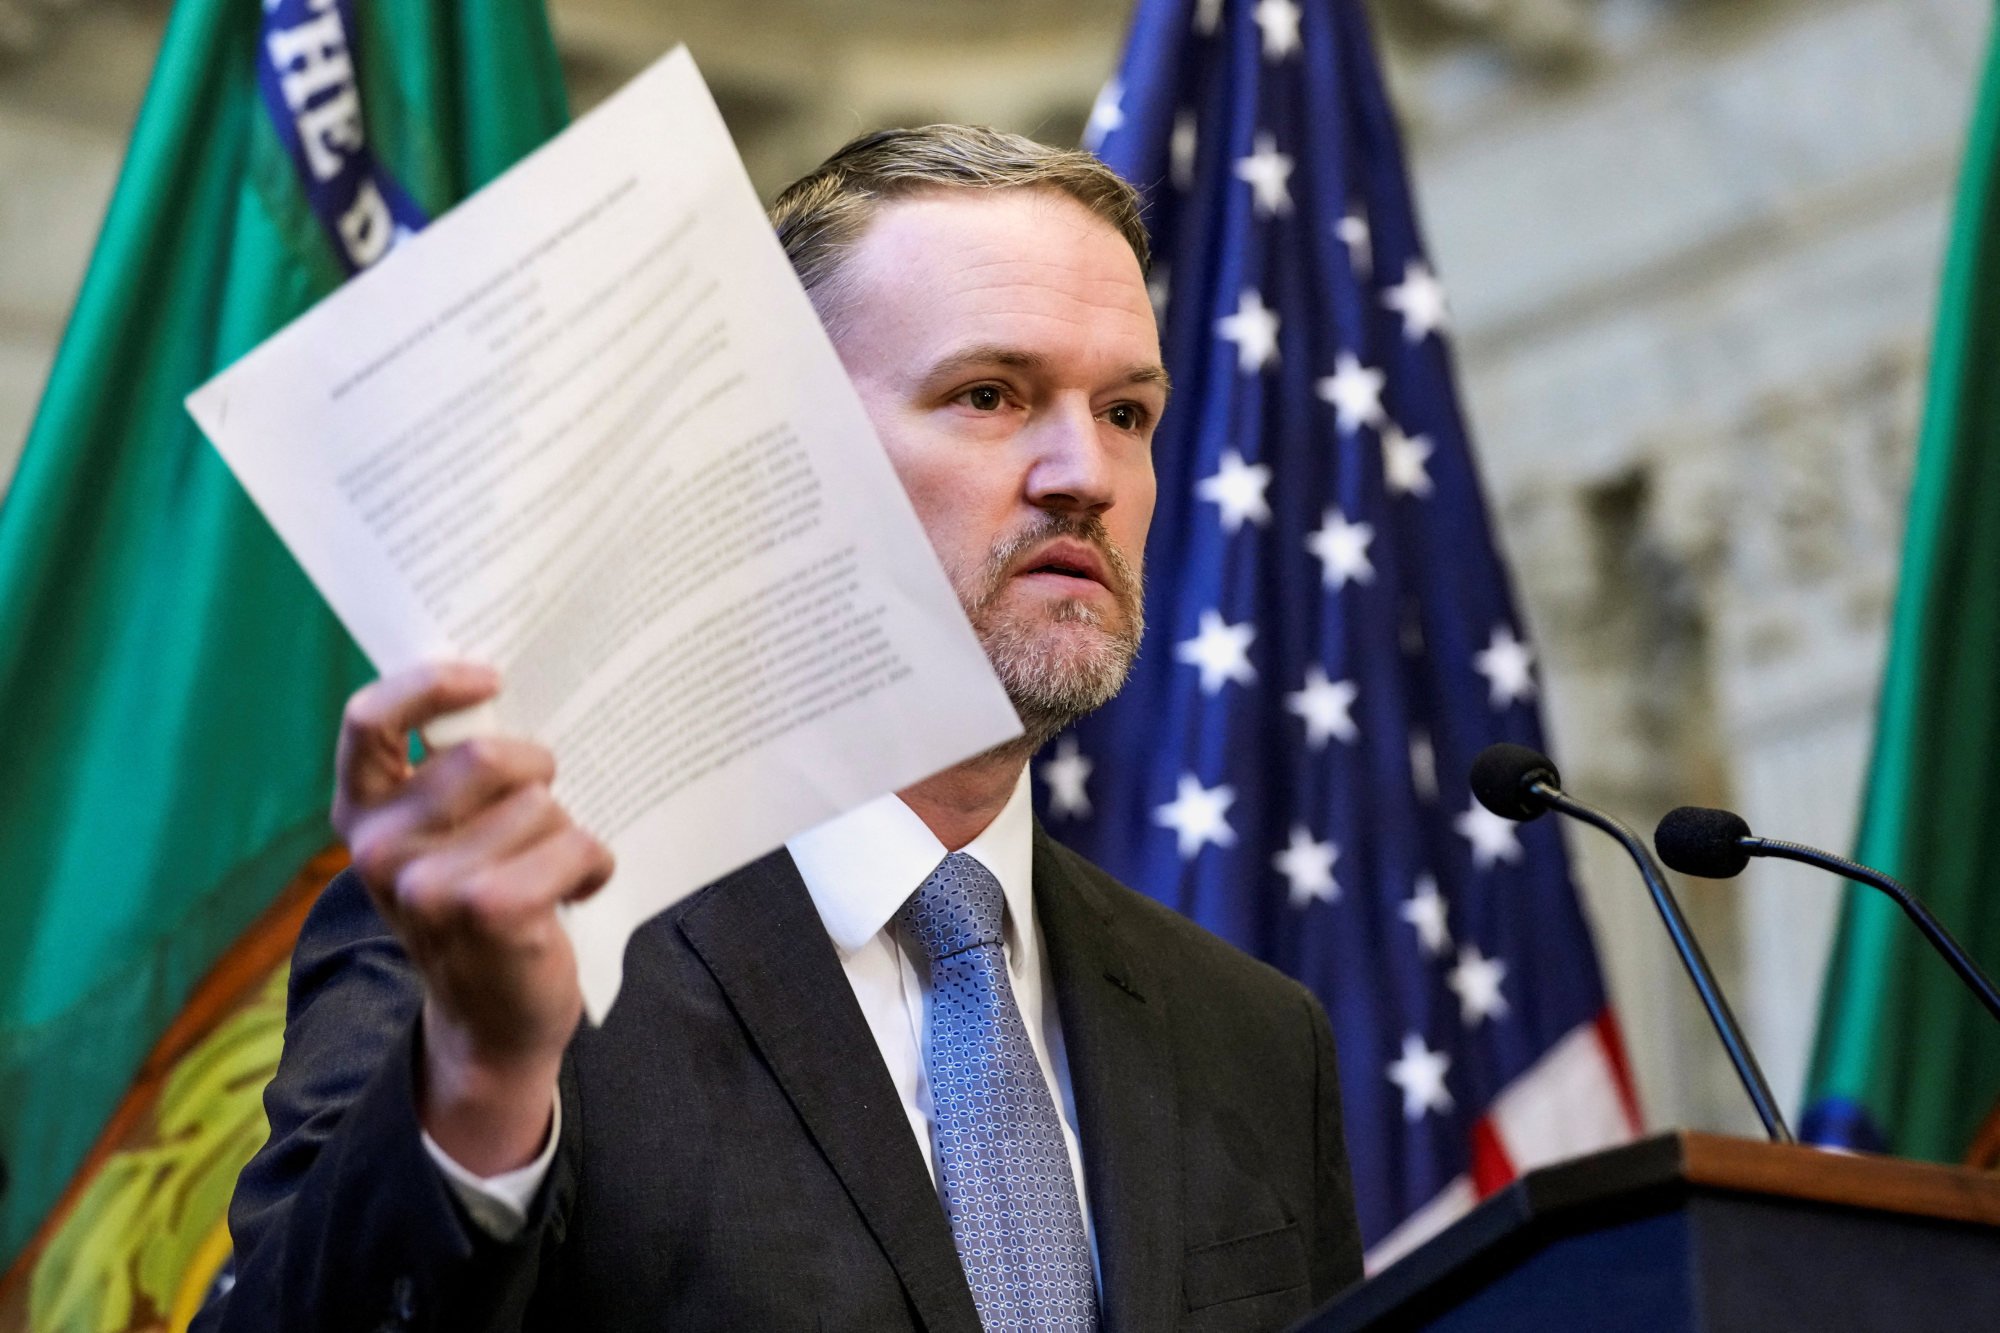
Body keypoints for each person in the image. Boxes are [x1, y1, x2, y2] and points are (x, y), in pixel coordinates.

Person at [196, 125, 1363, 1333]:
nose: (1086, 474)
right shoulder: (507, 959)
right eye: (987, 395)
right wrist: (484, 1078)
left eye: (1125, 412)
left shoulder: (1254, 1038)